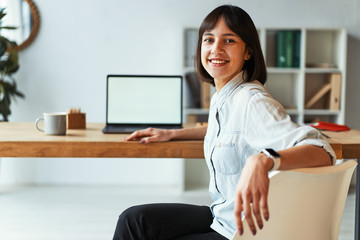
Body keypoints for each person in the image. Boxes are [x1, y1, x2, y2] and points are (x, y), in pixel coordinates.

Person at [112, 4, 335, 240]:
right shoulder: (224, 95)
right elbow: (229, 130)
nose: (216, 49)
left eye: (229, 41)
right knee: (134, 220)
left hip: (245, 231)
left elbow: (322, 152)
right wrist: (172, 134)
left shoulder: (253, 101)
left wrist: (264, 160)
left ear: (248, 52)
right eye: (209, 40)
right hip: (223, 215)